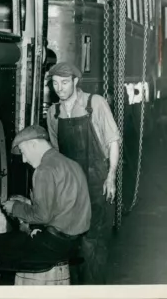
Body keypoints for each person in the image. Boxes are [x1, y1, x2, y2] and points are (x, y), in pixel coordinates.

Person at [0, 125, 91, 284]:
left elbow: (41, 216)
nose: (24, 159)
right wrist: (27, 202)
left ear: (34, 144)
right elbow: (63, 206)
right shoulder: (72, 164)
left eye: (23, 152)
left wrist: (14, 208)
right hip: (73, 244)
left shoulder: (44, 170)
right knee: (8, 246)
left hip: (51, 247)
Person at [46, 61, 121, 285]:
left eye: (65, 83)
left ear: (76, 82)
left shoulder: (94, 103)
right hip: (71, 185)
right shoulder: (53, 113)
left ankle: (95, 289)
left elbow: (113, 141)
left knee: (94, 241)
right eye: (55, 83)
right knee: (71, 239)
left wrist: (111, 176)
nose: (59, 88)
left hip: (97, 180)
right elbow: (56, 153)